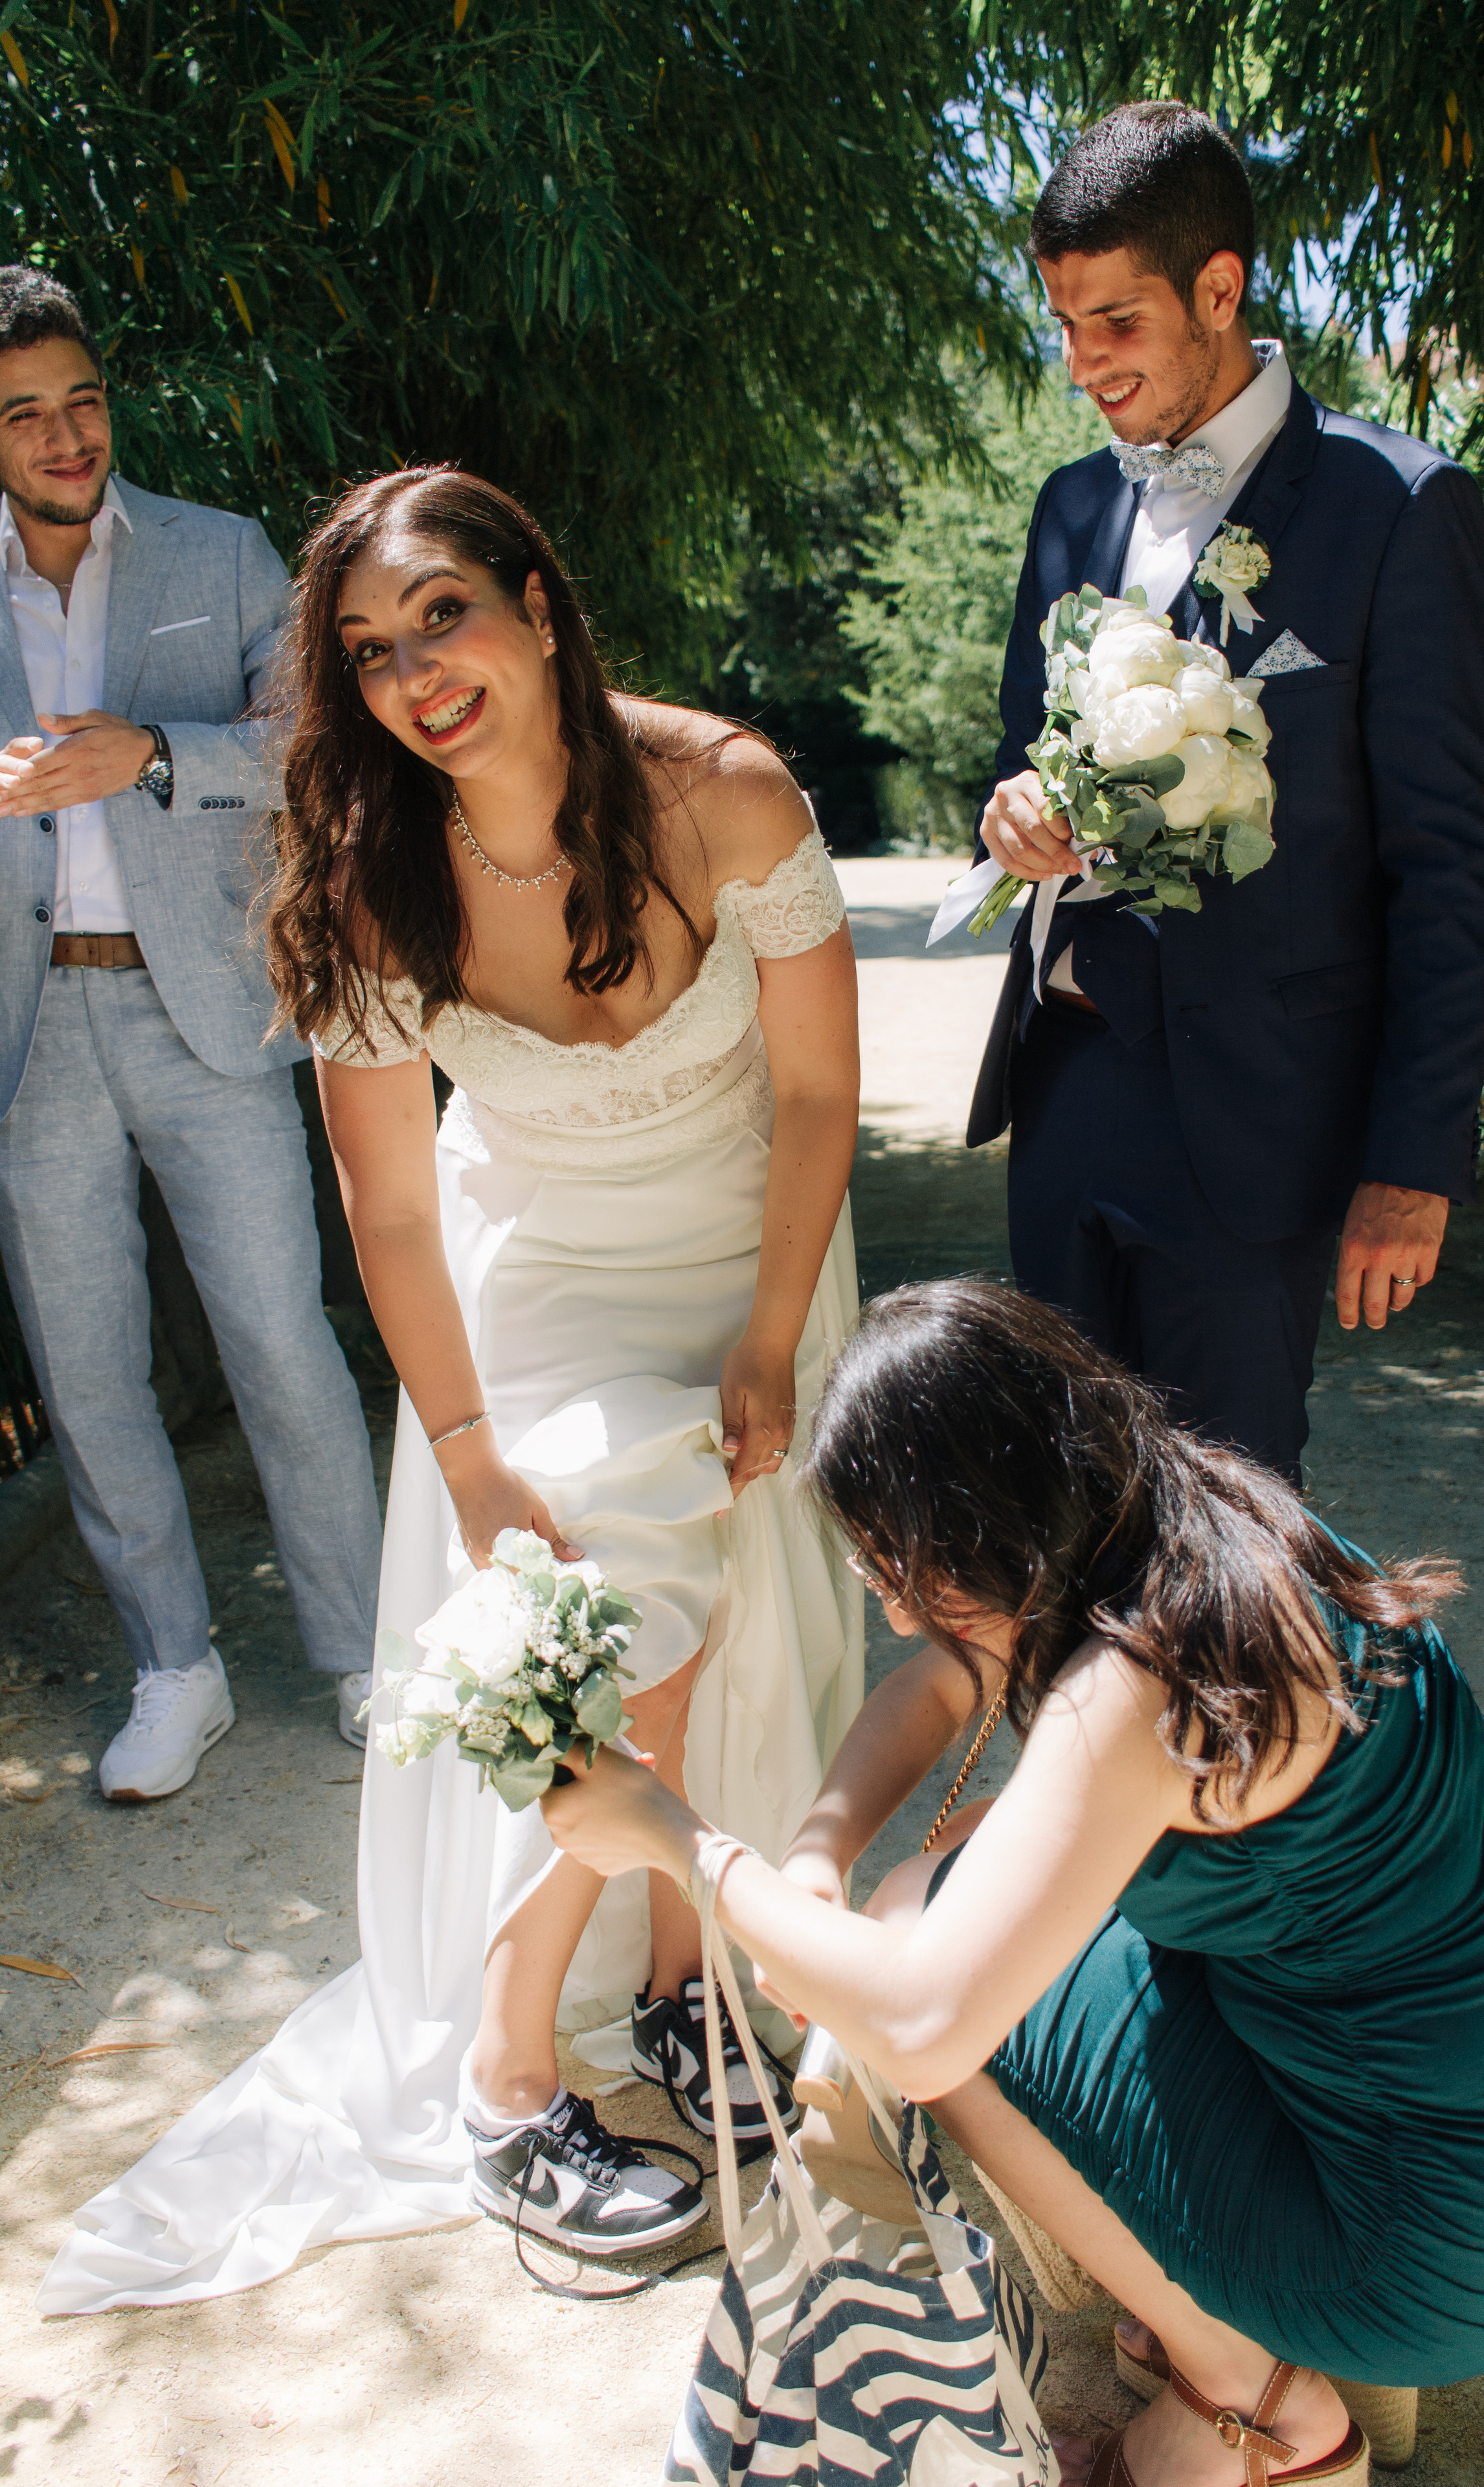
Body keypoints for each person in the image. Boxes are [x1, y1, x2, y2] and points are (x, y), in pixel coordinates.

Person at [37, 467, 864, 2314]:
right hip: (543, 1281)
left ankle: (667, 1994)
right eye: (367, 650)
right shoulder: (371, 882)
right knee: (627, 1573)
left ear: (539, 604)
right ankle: (511, 2056)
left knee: (696, 1581)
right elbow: (392, 1207)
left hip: (753, 1254)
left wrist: (766, 1333)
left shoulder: (726, 790)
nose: (415, 670)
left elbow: (818, 1099)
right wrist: (473, 1449)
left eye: (443, 615)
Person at [540, 1280, 1484, 2487]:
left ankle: (1253, 2412)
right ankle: (1224, 2299)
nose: (891, 1607)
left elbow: (920, 2022)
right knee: (919, 1912)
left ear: (981, 1530)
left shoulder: (1136, 1687)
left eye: (896, 1567)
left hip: (1421, 2256)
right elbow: (953, 1672)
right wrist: (817, 1854)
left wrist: (679, 1840)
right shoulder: (1201, 1519)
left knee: (928, 1987)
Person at [962, 104, 1484, 1485]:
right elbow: (1027, 754)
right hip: (1063, 1078)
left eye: (1115, 323)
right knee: (1062, 1518)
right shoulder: (1067, 506)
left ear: (1219, 288)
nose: (1083, 363)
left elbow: (1447, 862)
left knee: (1224, 1549)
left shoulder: (1396, 506)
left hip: (1256, 1116)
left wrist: (1414, 1161)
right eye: (1063, 324)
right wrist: (1009, 817)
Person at [0, 265, 381, 1796]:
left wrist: (151, 756)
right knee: (87, 1378)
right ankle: (175, 1666)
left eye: (81, 398)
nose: (65, 433)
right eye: (24, 413)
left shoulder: (223, 555)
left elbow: (314, 749)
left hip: (205, 1012)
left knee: (282, 1343)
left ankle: (363, 1657)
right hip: (30, 1040)